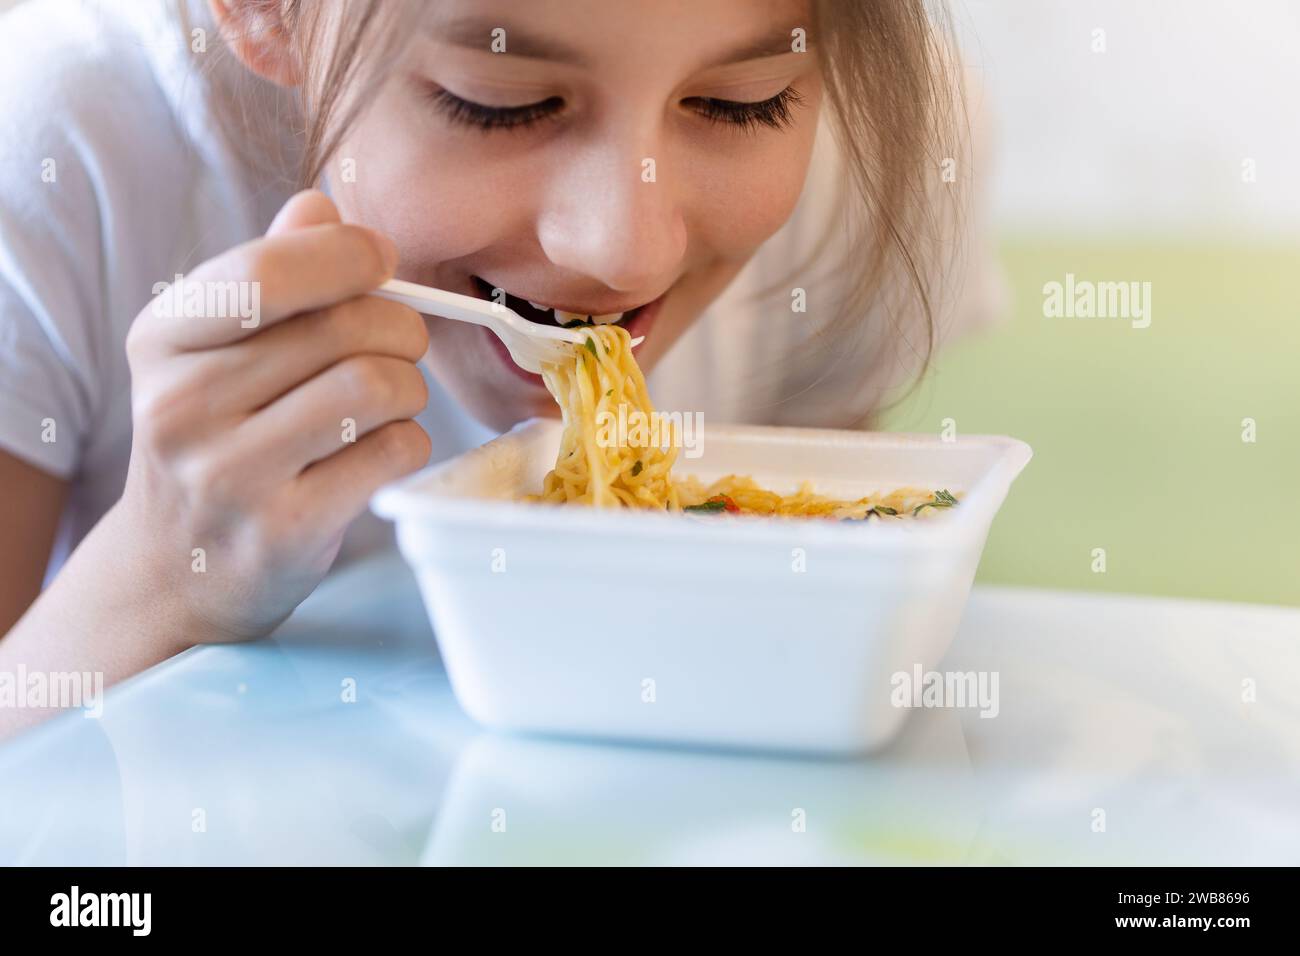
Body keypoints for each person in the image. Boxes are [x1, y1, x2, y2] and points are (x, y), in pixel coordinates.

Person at [0, 0, 1002, 736]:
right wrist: (159, 568)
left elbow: (817, 643)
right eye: (502, 104)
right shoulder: (57, 150)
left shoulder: (866, 151)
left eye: (739, 104)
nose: (627, 250)